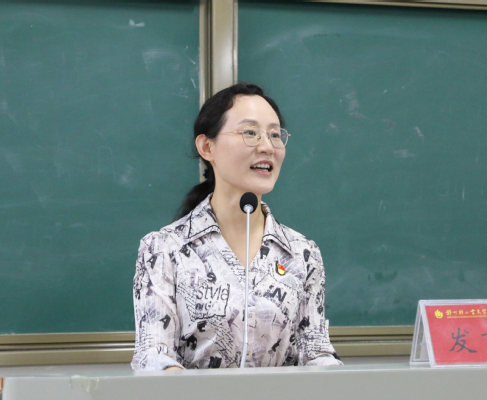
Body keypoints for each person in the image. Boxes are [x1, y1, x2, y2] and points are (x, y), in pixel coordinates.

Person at [131, 83, 342, 370]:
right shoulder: (165, 249)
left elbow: (315, 352)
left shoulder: (302, 253)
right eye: (250, 133)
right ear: (207, 147)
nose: (267, 146)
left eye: (275, 135)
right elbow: (153, 355)